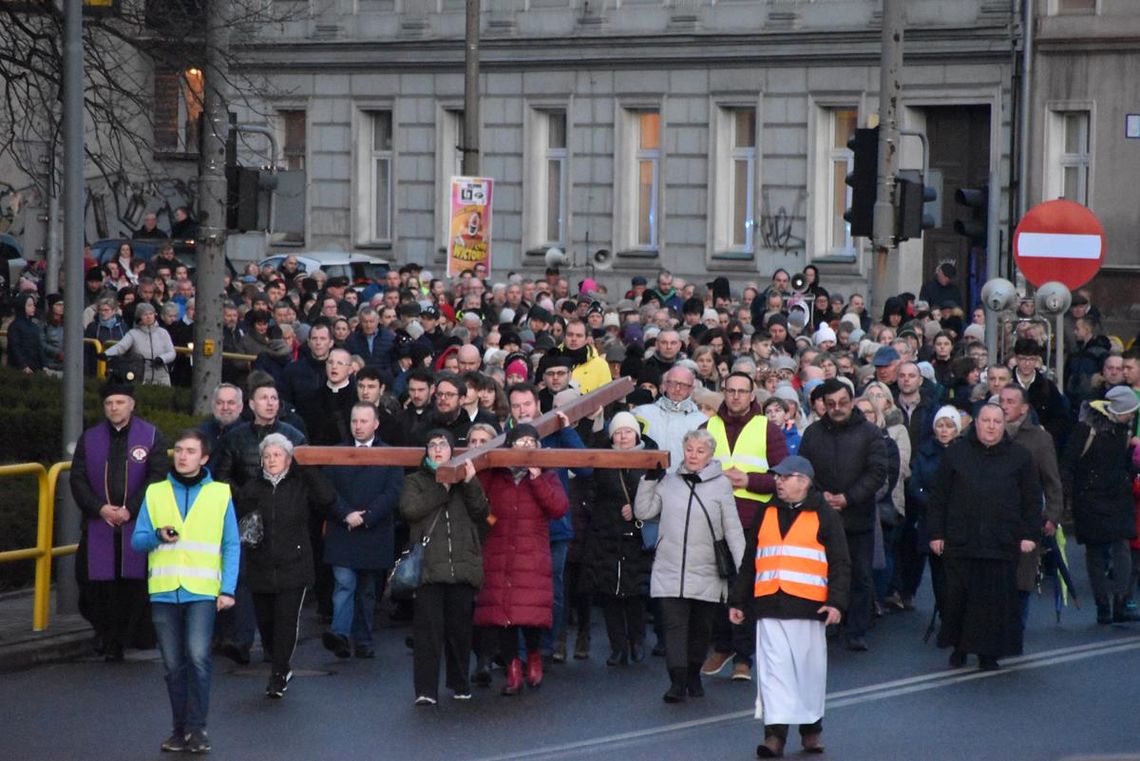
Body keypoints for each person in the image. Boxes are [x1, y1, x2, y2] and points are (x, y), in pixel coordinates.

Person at [728, 455, 850, 758]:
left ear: (804, 481)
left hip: (809, 608)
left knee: (808, 673)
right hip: (770, 606)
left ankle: (811, 732)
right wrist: (738, 600)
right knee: (773, 675)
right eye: (778, 477)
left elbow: (840, 562)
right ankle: (774, 737)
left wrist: (835, 602)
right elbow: (750, 561)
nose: (778, 482)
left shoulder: (825, 514)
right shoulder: (766, 510)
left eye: (785, 477)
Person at [131, 430, 239, 755]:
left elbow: (231, 544)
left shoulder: (220, 494)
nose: (182, 456)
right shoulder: (155, 492)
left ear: (204, 458)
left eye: (190, 451)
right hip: (164, 589)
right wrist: (157, 535)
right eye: (178, 450)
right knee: (172, 665)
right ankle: (179, 730)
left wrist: (228, 589)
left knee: (198, 658)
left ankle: (197, 728)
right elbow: (137, 541)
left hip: (202, 590)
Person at [927, 403, 1042, 670]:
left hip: (1001, 542)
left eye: (997, 422)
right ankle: (959, 647)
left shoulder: (1020, 456)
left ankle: (989, 652)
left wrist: (1029, 534)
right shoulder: (956, 453)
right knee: (957, 599)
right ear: (975, 423)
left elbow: (1032, 500)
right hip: (961, 540)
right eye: (986, 420)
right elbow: (939, 497)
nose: (991, 426)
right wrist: (936, 533)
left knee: (993, 603)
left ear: (1004, 425)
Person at [634, 428, 745, 703]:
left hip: (707, 569)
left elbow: (732, 529)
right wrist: (648, 479)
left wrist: (744, 572)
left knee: (700, 629)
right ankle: (677, 681)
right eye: (690, 449)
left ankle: (693, 675)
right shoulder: (669, 482)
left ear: (710, 455)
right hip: (669, 567)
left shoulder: (721, 486)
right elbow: (643, 512)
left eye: (700, 451)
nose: (694, 455)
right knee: (674, 627)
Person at [70, 380, 170, 661]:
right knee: (95, 586)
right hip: (98, 524)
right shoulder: (89, 439)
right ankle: (104, 633)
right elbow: (77, 479)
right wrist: (100, 508)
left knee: (131, 587)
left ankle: (123, 638)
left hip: (135, 524)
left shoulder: (151, 436)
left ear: (131, 404)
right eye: (109, 403)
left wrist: (130, 509)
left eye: (119, 402)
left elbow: (156, 477)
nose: (114, 407)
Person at [700, 372, 788, 682]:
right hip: (713, 520)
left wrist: (749, 480)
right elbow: (691, 468)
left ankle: (744, 656)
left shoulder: (768, 430)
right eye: (731, 391)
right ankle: (722, 646)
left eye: (742, 391)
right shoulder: (708, 427)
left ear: (753, 396)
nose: (736, 396)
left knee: (745, 589)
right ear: (723, 393)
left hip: (753, 522)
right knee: (715, 588)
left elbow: (784, 478)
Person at [234, 434, 337, 698]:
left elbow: (326, 499)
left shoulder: (301, 484)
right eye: (267, 456)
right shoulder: (252, 487)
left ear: (289, 459)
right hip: (261, 564)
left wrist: (308, 468)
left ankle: (279, 673)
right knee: (266, 622)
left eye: (277, 455)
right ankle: (274, 658)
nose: (271, 460)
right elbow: (240, 516)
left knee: (286, 622)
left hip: (295, 564)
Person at [473, 423, 569, 696]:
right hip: (500, 548)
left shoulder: (547, 474)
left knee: (530, 612)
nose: (526, 447)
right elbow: (480, 506)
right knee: (503, 614)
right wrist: (494, 523)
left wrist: (537, 478)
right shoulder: (496, 473)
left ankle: (534, 657)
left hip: (531, 551)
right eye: (520, 441)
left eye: (531, 441)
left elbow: (558, 508)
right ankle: (513, 669)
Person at [399, 430, 490, 705]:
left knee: (460, 630)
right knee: (428, 633)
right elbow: (410, 510)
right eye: (433, 445)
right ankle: (426, 690)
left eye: (443, 445)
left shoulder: (465, 481)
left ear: (453, 450)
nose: (438, 450)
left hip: (461, 566)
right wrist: (442, 488)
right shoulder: (414, 481)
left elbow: (482, 513)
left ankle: (460, 683)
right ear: (426, 450)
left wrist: (471, 482)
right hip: (429, 568)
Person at [797, 378, 887, 652]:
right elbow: (804, 469)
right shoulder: (812, 433)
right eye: (831, 404)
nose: (837, 408)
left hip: (857, 516)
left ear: (852, 402)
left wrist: (849, 498)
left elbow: (877, 472)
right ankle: (827, 624)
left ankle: (856, 629)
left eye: (843, 403)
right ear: (823, 405)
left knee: (859, 574)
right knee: (823, 573)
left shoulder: (870, 433)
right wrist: (820, 495)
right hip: (822, 516)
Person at [321, 403, 405, 659]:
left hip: (374, 531)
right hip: (343, 528)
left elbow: (392, 492)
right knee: (344, 584)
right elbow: (327, 489)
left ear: (376, 423)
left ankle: (364, 640)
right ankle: (340, 635)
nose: (358, 426)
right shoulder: (337, 453)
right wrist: (346, 513)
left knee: (367, 590)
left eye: (363, 421)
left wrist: (367, 517)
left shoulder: (390, 454)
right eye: (354, 421)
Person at [1060, 385, 1140, 624]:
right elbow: (1069, 462)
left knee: (1112, 549)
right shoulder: (1088, 429)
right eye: (1131, 412)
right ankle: (1110, 604)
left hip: (1110, 496)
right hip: (1093, 497)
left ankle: (1114, 603)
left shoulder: (1119, 429)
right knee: (1106, 549)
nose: (1133, 416)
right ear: (1119, 410)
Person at [581, 412, 654, 666]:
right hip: (607, 531)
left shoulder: (649, 460)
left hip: (636, 533)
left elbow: (658, 495)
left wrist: (637, 508)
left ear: (637, 434)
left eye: (628, 431)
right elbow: (591, 491)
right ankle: (617, 647)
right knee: (609, 593)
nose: (623, 437)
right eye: (618, 432)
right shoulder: (602, 460)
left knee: (635, 592)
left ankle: (637, 642)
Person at [999, 385, 1065, 627]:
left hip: (1027, 518)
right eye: (1001, 400)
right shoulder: (990, 432)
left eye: (1010, 401)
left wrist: (1052, 516)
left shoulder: (1039, 438)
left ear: (1024, 408)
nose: (1004, 406)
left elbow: (1052, 481)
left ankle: (1016, 627)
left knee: (1021, 578)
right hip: (995, 518)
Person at [902, 406, 963, 613]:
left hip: (958, 518)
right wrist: (931, 502)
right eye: (940, 425)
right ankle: (944, 611)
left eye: (949, 426)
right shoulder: (925, 452)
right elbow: (914, 484)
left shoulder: (965, 452)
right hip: (931, 517)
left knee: (956, 571)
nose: (944, 430)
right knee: (938, 570)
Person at [101, 302, 176, 386]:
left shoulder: (163, 332)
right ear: (139, 317)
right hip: (141, 376)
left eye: (151, 314)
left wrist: (162, 359)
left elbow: (172, 352)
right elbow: (120, 347)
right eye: (145, 314)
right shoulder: (133, 333)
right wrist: (106, 354)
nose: (149, 317)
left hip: (162, 377)